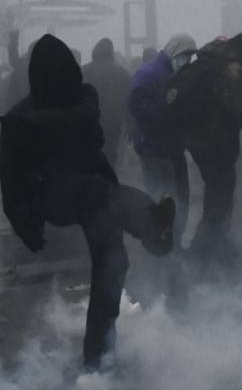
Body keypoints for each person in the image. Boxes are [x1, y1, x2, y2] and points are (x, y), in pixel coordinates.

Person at [1, 35, 174, 369]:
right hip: (53, 197)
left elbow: (85, 117)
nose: (64, 83)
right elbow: (10, 182)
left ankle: (99, 356)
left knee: (113, 264)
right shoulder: (20, 119)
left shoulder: (74, 100)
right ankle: (152, 224)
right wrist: (26, 224)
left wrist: (28, 123)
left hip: (96, 198)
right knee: (100, 193)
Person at [172, 31, 242, 259]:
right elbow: (239, 110)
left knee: (215, 194)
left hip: (195, 139)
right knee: (220, 197)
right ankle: (206, 252)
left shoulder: (206, 61)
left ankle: (210, 247)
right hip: (216, 143)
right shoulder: (230, 70)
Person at [128, 33, 196, 245]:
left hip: (171, 148)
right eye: (185, 55)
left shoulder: (171, 73)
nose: (187, 60)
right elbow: (136, 102)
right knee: (162, 201)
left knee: (179, 200)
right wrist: (165, 118)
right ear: (174, 51)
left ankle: (172, 245)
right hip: (155, 149)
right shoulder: (150, 73)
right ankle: (159, 250)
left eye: (190, 56)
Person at [81, 38, 132, 166]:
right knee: (110, 155)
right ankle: (109, 182)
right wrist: (130, 123)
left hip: (88, 121)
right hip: (113, 122)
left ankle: (93, 182)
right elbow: (128, 101)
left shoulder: (84, 71)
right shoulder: (122, 73)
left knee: (89, 155)